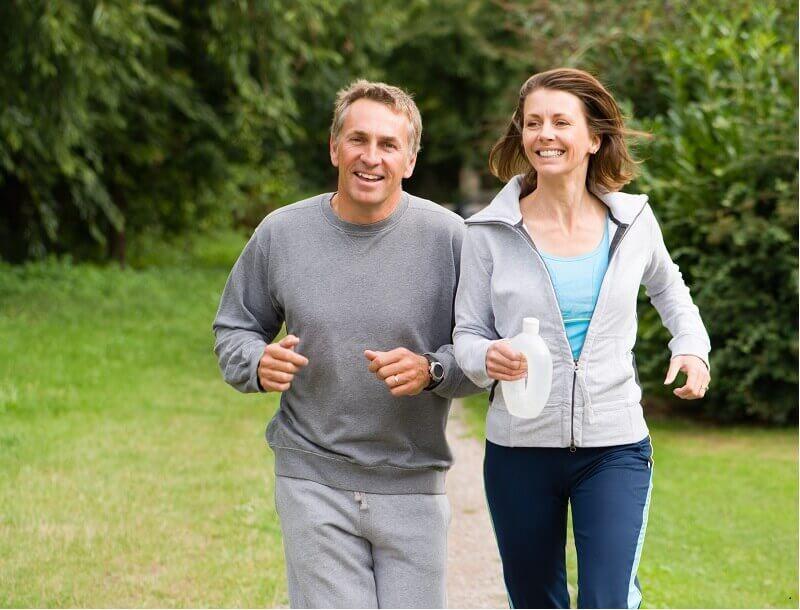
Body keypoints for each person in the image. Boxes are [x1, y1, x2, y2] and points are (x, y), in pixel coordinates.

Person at [213, 79, 479, 609]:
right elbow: (234, 327)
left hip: (414, 485)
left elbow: (483, 353)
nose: (371, 157)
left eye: (388, 145)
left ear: (410, 159)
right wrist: (256, 361)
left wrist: (433, 370)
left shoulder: (451, 239)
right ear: (334, 147)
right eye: (358, 140)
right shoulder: (281, 233)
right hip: (312, 478)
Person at [453, 68, 711, 609]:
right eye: (533, 123)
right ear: (521, 136)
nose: (545, 134)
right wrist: (486, 357)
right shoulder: (487, 234)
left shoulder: (633, 221)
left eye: (560, 122)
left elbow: (671, 289)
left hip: (614, 445)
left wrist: (691, 347)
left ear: (593, 138)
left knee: (606, 600)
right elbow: (467, 334)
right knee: (535, 600)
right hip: (520, 448)